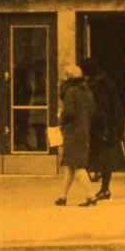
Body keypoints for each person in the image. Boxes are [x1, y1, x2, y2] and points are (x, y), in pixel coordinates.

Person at [55, 64, 98, 207]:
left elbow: (69, 111)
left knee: (78, 165)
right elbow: (92, 110)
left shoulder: (70, 91)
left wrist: (60, 118)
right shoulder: (86, 89)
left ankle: (91, 197)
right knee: (70, 166)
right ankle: (62, 196)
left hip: (72, 132)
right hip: (84, 130)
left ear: (68, 76)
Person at [82, 57, 124, 201]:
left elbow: (98, 107)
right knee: (106, 159)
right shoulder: (106, 81)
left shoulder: (95, 85)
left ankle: (103, 189)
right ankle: (105, 188)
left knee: (101, 157)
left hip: (101, 126)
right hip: (110, 125)